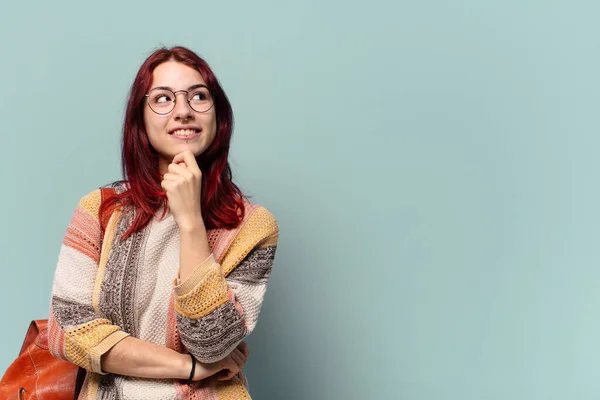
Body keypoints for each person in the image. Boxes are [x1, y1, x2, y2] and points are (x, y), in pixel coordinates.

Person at [47, 46, 279, 399]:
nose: (183, 111)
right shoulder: (100, 211)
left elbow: (212, 343)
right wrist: (189, 368)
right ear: (140, 119)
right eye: (163, 98)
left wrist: (190, 222)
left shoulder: (252, 227)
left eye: (199, 96)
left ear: (219, 116)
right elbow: (67, 331)